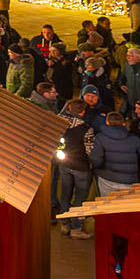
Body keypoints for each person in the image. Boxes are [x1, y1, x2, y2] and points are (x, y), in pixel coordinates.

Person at [56, 99, 95, 238]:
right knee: (80, 196)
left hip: (64, 164)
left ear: (69, 109)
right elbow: (89, 151)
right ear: (83, 112)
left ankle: (64, 224)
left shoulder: (59, 123)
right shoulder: (86, 129)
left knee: (65, 193)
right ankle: (76, 227)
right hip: (81, 167)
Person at [90, 112, 140, 196]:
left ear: (107, 122)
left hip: (107, 179)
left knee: (107, 201)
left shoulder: (100, 138)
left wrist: (96, 169)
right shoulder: (135, 139)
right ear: (123, 123)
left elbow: (96, 160)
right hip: (129, 179)